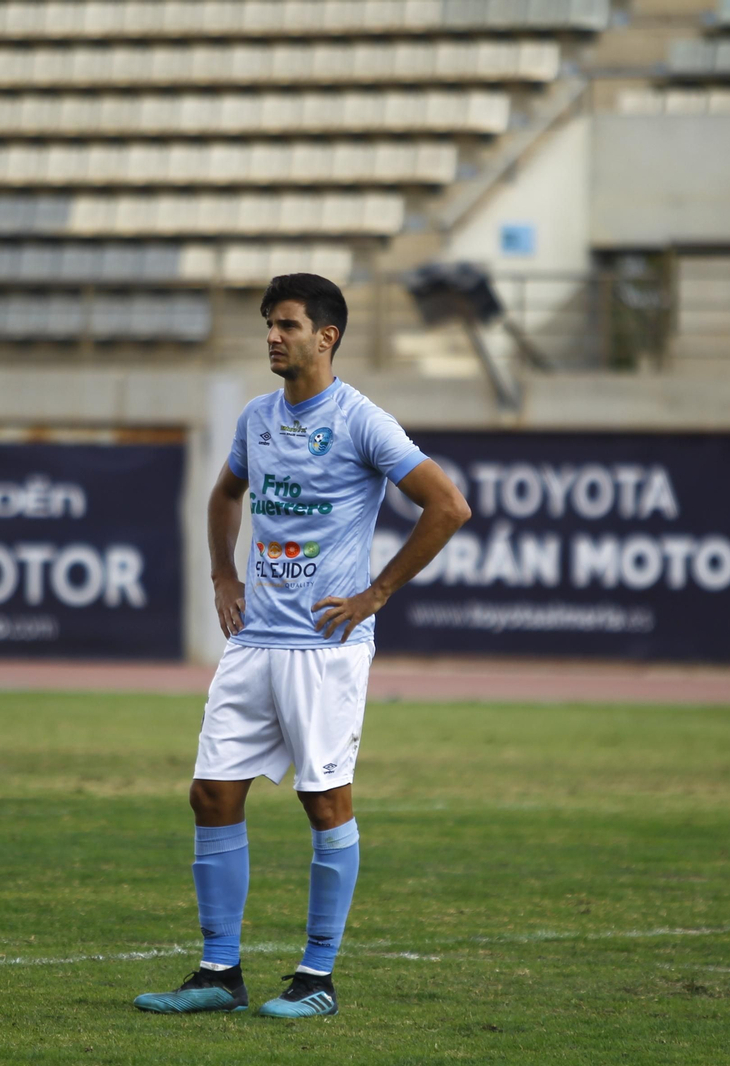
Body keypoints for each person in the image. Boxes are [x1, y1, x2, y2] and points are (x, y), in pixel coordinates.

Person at [134, 273, 470, 1018]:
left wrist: (375, 594)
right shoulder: (257, 418)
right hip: (254, 642)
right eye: (268, 324)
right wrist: (224, 573)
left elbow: (448, 506)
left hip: (324, 647)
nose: (272, 337)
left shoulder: (361, 422)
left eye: (286, 324)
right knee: (211, 793)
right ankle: (220, 973)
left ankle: (316, 980)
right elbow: (226, 494)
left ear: (328, 336)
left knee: (325, 802)